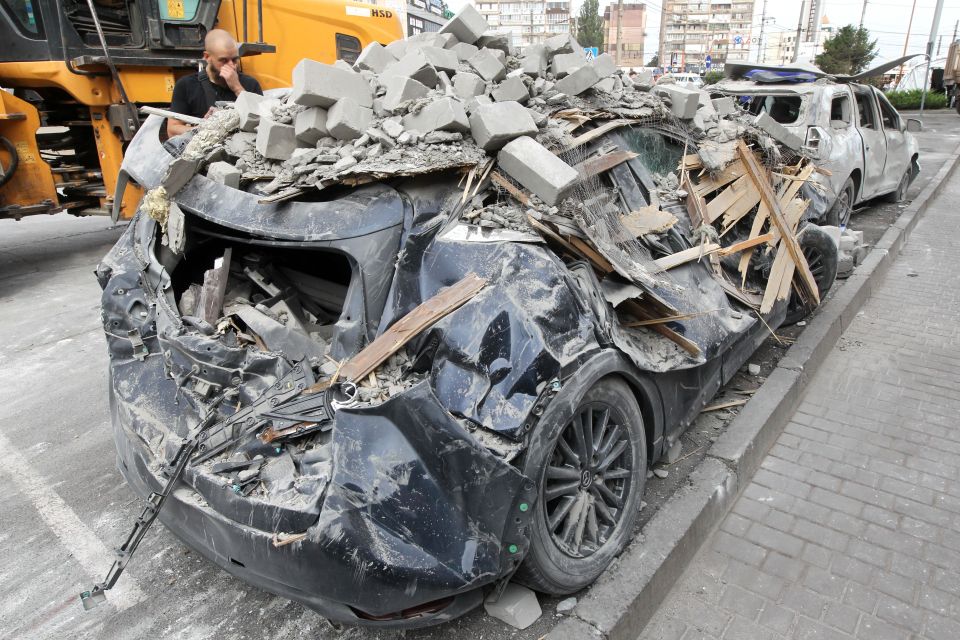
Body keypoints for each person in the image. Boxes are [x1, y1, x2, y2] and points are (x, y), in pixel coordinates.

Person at [167, 29, 262, 137]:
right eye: (224, 60)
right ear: (207, 57)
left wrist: (237, 88)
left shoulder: (250, 84)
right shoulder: (186, 85)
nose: (232, 66)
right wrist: (204, 128)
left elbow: (262, 124)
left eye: (235, 60)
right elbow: (172, 130)